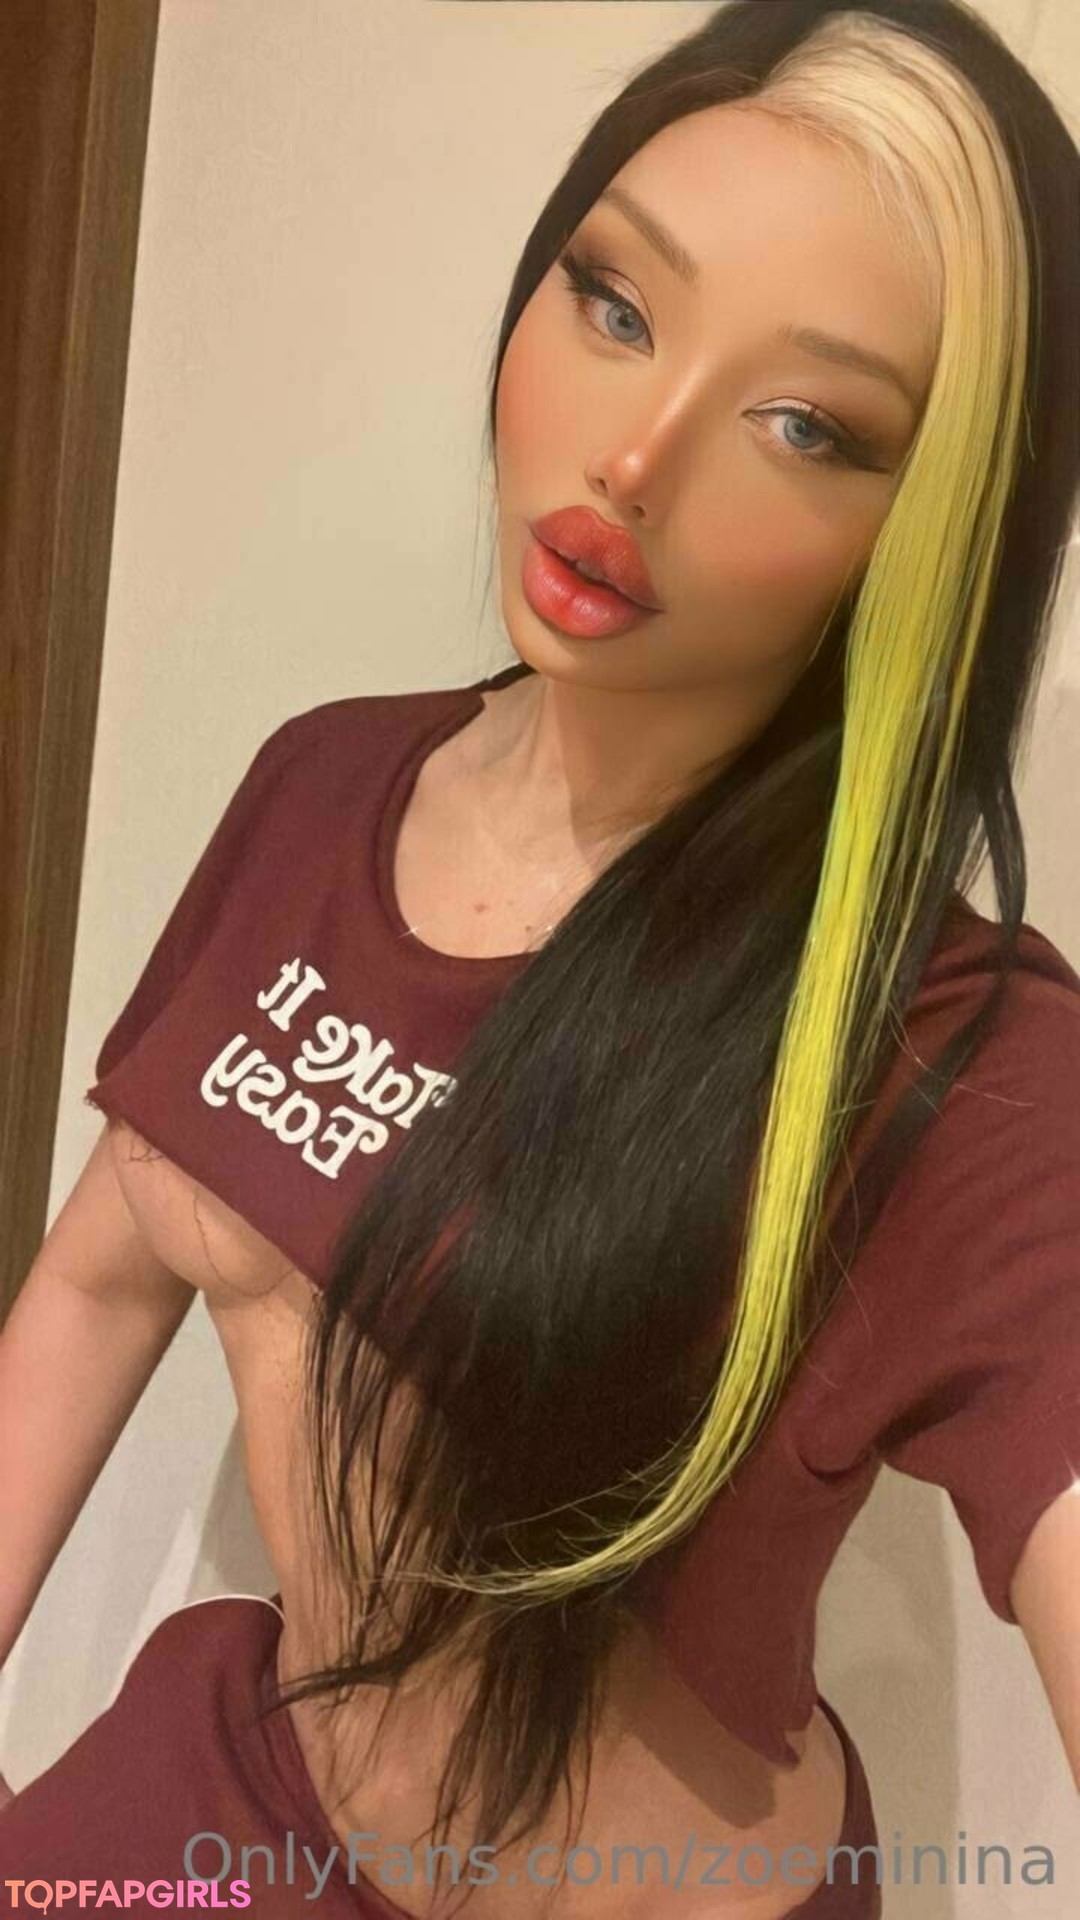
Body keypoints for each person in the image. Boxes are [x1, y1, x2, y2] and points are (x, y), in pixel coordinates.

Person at [1, 1, 1078, 1915]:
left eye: (808, 425)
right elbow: (97, 1279)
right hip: (250, 1803)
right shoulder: (321, 788)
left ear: (930, 533)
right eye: (614, 301)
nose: (634, 456)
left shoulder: (945, 1056)